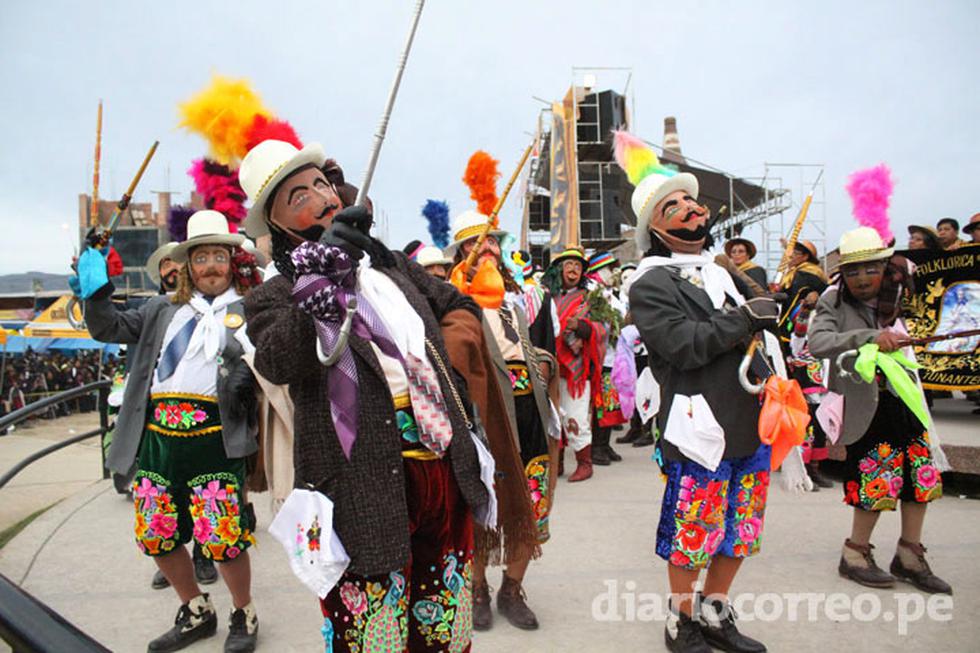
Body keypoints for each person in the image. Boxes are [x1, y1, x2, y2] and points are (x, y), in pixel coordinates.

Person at [239, 139, 490, 652]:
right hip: (359, 483)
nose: (320, 196)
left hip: (441, 461)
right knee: (371, 635)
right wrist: (323, 279)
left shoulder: (391, 266)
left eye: (321, 183)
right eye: (298, 195)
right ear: (279, 224)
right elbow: (278, 358)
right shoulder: (275, 294)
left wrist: (448, 368)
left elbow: (459, 304)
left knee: (444, 627)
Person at [615, 129, 775, 653]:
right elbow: (682, 345)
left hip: (750, 421)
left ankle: (715, 612)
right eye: (672, 205)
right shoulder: (650, 283)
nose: (689, 207)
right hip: (699, 426)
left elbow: (758, 331)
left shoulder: (722, 272)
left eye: (689, 200)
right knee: (694, 531)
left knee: (740, 529)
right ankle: (680, 622)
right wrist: (742, 319)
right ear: (655, 229)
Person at [79, 210, 261, 652]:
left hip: (217, 441)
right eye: (202, 258)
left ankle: (243, 611)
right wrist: (94, 285)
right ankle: (196, 609)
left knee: (223, 539)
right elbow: (107, 327)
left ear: (232, 261)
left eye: (219, 256)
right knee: (156, 533)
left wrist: (250, 375)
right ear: (187, 266)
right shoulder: (162, 309)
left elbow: (276, 359)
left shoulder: (252, 307)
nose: (211, 266)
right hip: (158, 441)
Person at [809, 227, 951, 595]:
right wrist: (871, 337)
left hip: (905, 398)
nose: (861, 278)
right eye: (852, 271)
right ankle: (854, 554)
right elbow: (819, 341)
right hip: (864, 404)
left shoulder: (902, 290)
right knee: (876, 479)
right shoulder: (832, 300)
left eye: (870, 269)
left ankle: (909, 555)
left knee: (920, 478)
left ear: (885, 266)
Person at [445, 209, 558, 632]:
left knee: (533, 501)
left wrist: (543, 364)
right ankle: (477, 589)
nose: (489, 249)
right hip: (486, 415)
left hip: (530, 412)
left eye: (494, 242)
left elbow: (539, 348)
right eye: (479, 244)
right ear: (462, 256)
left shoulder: (517, 303)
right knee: (483, 504)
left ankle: (511, 588)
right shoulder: (454, 303)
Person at [543, 246, 607, 483]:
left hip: (577, 370)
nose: (573, 270)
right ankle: (557, 462)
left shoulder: (590, 299)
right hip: (552, 367)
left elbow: (603, 330)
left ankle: (585, 463)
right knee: (554, 418)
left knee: (577, 416)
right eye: (569, 265)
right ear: (560, 269)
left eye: (578, 266)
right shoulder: (547, 296)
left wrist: (580, 327)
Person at [778, 240, 832, 487]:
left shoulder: (827, 320)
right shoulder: (801, 322)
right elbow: (797, 333)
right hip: (803, 376)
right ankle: (803, 468)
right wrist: (805, 310)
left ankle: (816, 467)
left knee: (820, 424)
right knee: (806, 423)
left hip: (822, 377)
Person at [585, 251, 627, 464]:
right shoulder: (592, 293)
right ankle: (596, 447)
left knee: (612, 403)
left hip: (615, 357)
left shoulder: (610, 292)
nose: (614, 273)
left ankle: (604, 443)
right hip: (600, 358)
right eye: (610, 269)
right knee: (601, 404)